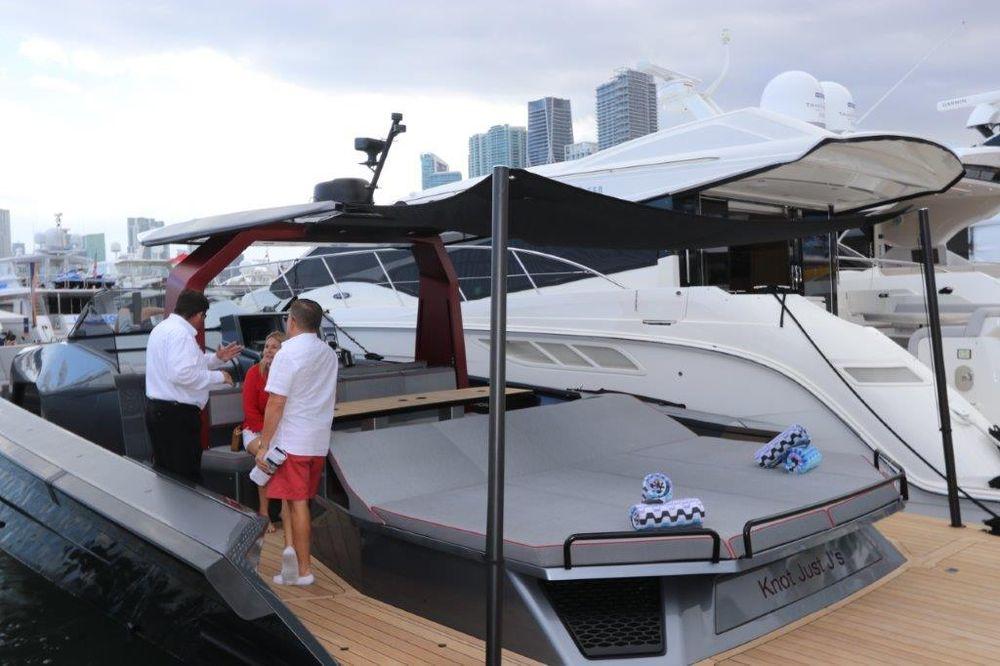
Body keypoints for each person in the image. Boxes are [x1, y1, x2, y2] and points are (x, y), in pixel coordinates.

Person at [256, 299, 337, 586]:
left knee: (297, 503)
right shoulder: (329, 354)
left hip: (293, 441)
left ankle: (304, 571)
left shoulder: (287, 354)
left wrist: (264, 445)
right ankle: (290, 556)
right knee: (295, 501)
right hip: (318, 440)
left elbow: (276, 402)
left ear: (291, 321)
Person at [145, 289, 242, 483]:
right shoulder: (181, 335)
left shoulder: (162, 329)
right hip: (177, 418)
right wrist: (219, 377)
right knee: (185, 477)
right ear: (198, 314)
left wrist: (217, 358)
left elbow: (188, 365)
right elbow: (182, 374)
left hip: (160, 412)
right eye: (204, 316)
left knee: (167, 476)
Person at [242, 330, 286, 532]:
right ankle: (264, 512)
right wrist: (268, 436)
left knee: (285, 456)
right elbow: (250, 412)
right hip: (255, 431)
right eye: (266, 347)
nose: (268, 350)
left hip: (281, 431)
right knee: (268, 455)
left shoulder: (287, 375)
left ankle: (286, 510)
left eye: (274, 347)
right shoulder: (253, 373)